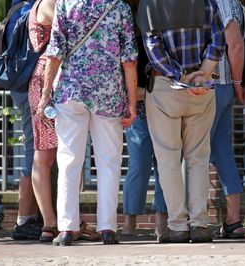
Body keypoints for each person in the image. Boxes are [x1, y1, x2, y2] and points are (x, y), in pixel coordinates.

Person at [37, 0, 138, 246]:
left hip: (71, 91)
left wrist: (45, 94)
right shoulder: (119, 8)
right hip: (109, 93)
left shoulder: (65, 4)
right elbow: (129, 60)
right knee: (109, 161)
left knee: (69, 159)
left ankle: (67, 229)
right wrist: (132, 102)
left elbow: (55, 53)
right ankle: (108, 228)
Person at [137, 0, 225, 243]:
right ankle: (200, 224)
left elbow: (153, 49)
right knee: (198, 158)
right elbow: (218, 40)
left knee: (168, 159)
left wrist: (179, 76)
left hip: (166, 87)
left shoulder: (151, 4)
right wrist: (204, 72)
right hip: (202, 86)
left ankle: (177, 226)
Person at [211, 0, 245, 238]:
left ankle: (187, 221)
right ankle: (233, 219)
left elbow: (235, 45)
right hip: (225, 85)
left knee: (194, 153)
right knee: (223, 152)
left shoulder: (221, 1)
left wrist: (237, 83)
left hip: (215, 84)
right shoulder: (235, 2)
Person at [122, 36, 168, 236]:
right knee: (138, 166)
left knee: (165, 167)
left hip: (166, 113)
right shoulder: (135, 45)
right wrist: (155, 93)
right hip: (139, 113)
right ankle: (129, 222)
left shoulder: (170, 44)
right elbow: (126, 87)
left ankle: (162, 224)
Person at [6, 0, 42, 241]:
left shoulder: (15, 9)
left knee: (35, 147)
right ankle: (25, 219)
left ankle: (30, 217)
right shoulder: (35, 10)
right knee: (35, 149)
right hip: (31, 86)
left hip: (18, 85)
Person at [28, 0, 58, 242]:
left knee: (52, 152)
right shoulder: (50, 3)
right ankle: (50, 222)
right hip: (49, 79)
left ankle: (57, 220)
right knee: (45, 152)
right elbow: (67, 27)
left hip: (48, 78)